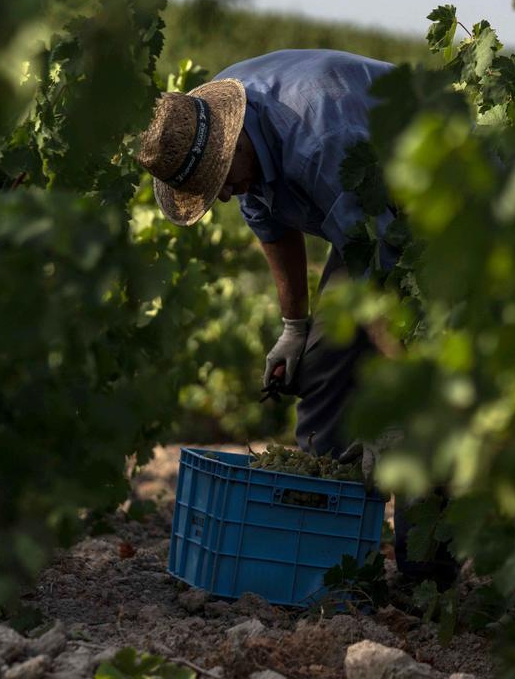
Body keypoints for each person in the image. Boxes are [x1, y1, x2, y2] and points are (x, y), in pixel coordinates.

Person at [134, 49, 457, 588]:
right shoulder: (210, 124)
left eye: (222, 181)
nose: (227, 194)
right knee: (325, 359)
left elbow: (381, 280)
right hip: (371, 220)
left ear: (234, 142)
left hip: (444, 198)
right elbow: (269, 223)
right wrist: (295, 329)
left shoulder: (320, 140)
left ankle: (427, 581)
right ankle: (316, 547)